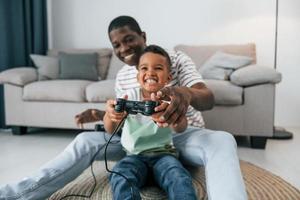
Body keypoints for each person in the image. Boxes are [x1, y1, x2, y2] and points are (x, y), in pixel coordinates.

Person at [0, 16, 247, 200]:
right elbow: (121, 123)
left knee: (223, 140)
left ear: (143, 36)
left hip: (181, 137)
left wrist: (185, 93)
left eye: (129, 39)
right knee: (85, 141)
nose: (124, 48)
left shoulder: (176, 59)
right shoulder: (123, 77)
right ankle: (14, 194)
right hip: (136, 144)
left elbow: (208, 98)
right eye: (116, 45)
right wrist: (105, 114)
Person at [106, 45, 197, 200]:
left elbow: (181, 128)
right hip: (134, 155)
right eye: (144, 68)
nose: (150, 72)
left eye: (158, 68)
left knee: (178, 176)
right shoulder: (129, 96)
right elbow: (110, 129)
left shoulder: (171, 101)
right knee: (120, 175)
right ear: (137, 76)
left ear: (168, 78)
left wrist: (175, 117)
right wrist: (111, 115)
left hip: (164, 155)